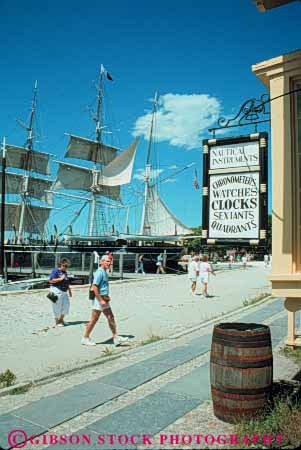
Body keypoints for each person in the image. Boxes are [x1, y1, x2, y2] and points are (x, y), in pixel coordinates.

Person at [81, 254, 128, 347]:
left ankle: (115, 337)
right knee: (94, 319)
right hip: (99, 299)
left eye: (110, 261)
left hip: (104, 298)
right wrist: (100, 300)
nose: (109, 263)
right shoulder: (99, 272)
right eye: (107, 261)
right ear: (101, 262)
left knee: (111, 317)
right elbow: (94, 287)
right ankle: (85, 338)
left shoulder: (104, 272)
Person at [49, 258, 72, 326]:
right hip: (55, 290)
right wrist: (60, 279)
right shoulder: (55, 271)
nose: (66, 268)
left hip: (64, 291)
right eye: (65, 266)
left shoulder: (65, 272)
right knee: (56, 306)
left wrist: (69, 290)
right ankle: (57, 321)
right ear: (61, 264)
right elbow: (50, 280)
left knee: (66, 305)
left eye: (67, 266)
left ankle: (61, 319)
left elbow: (66, 282)